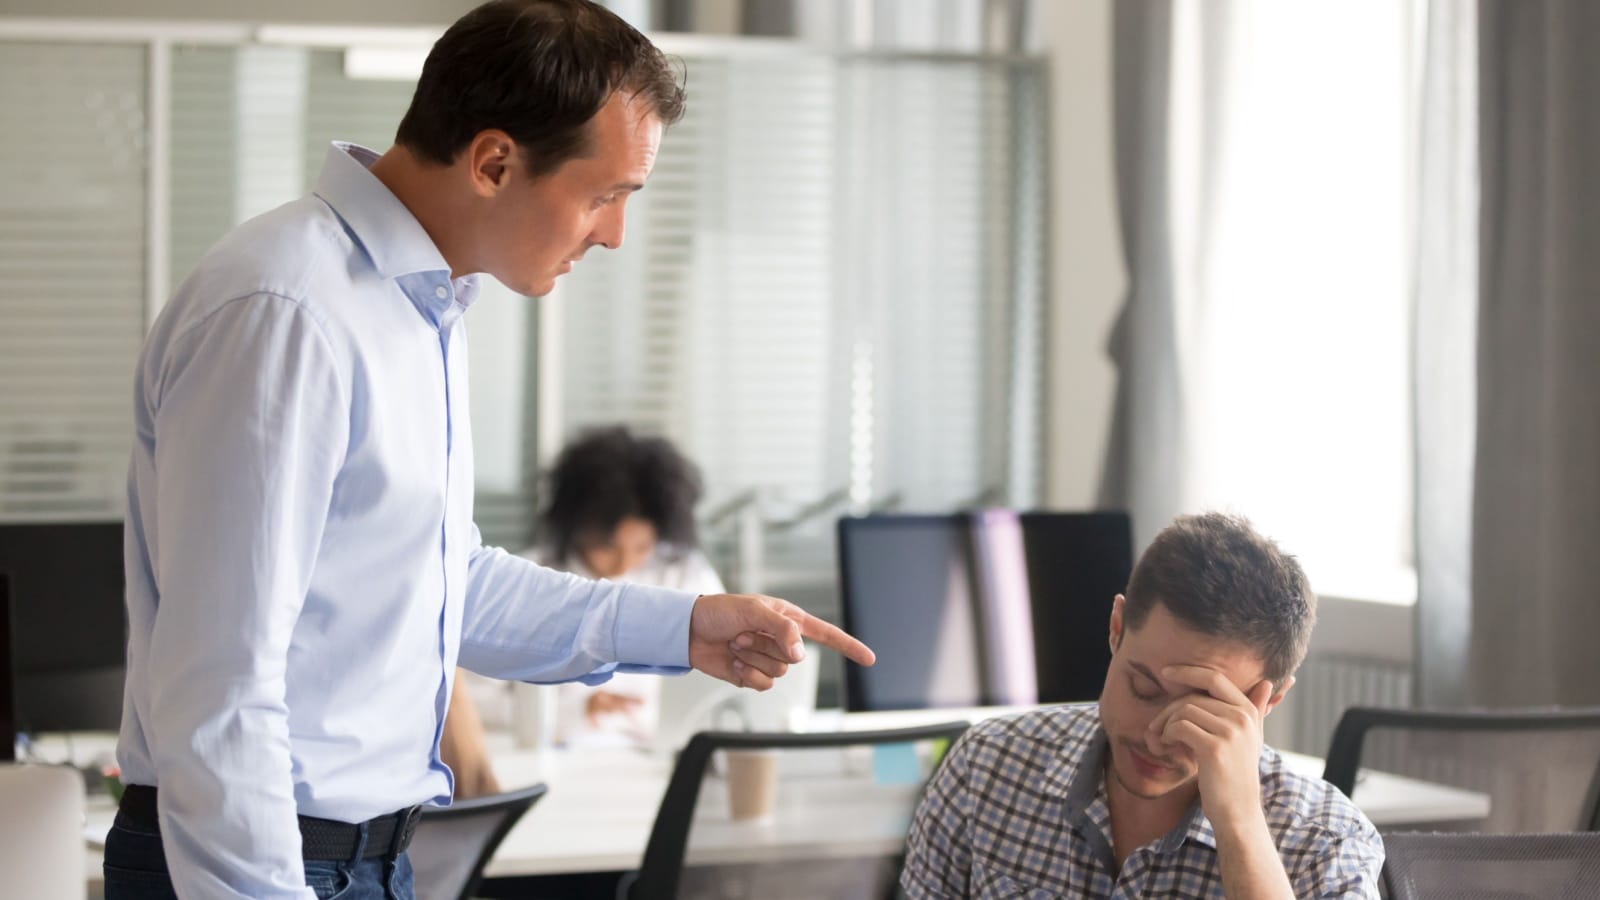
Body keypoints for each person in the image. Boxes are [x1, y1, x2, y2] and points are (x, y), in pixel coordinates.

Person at [108, 3, 874, 898]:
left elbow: (441, 583)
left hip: (371, 859)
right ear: (494, 162)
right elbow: (220, 687)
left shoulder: (416, 308)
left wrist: (682, 625)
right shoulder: (291, 311)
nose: (615, 234)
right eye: (605, 195)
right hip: (265, 866)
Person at [900, 512, 1383, 899]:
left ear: (1268, 701)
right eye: (1143, 688)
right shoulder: (985, 768)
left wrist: (1238, 821)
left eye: (1202, 714)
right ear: (1116, 629)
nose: (1156, 734)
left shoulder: (1326, 841)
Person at [441, 426, 726, 796]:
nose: (624, 562)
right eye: (608, 545)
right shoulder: (528, 578)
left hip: (661, 768)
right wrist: (577, 711)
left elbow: (715, 693)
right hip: (559, 769)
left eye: (641, 547)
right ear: (576, 526)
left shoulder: (685, 573)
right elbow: (472, 698)